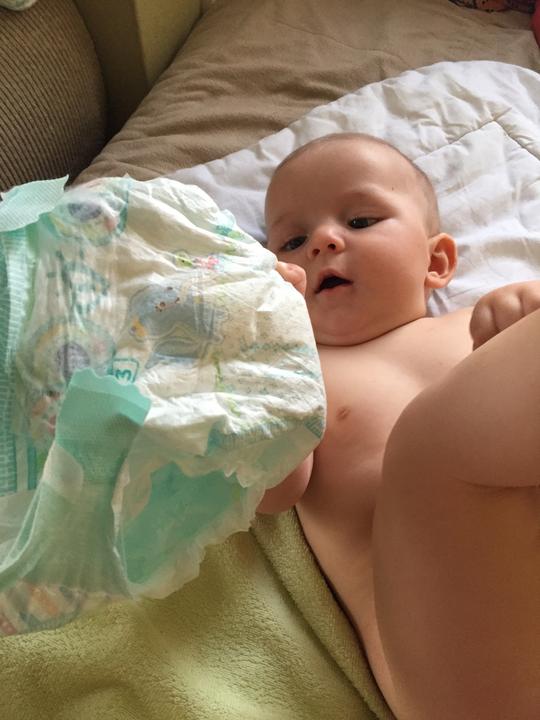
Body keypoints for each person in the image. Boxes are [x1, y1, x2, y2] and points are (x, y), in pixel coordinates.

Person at [257, 132, 540, 720]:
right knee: (429, 439)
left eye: (360, 220)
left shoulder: (484, 323)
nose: (323, 242)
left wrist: (526, 313)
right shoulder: (297, 373)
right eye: (292, 241)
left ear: (436, 262)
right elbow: (269, 491)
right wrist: (259, 346)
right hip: (467, 660)